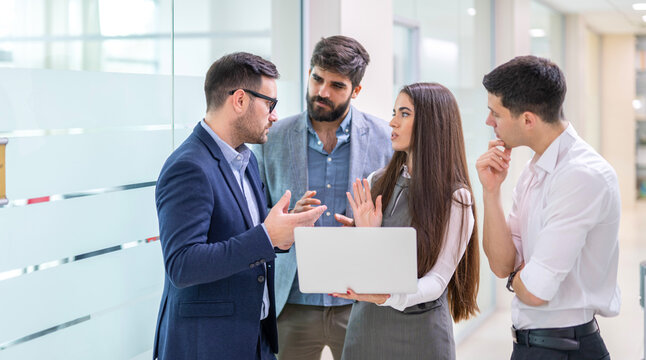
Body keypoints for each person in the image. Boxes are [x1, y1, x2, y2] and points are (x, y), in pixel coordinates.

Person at [152, 52, 327, 360]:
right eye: (270, 104)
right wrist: (267, 237)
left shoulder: (245, 161)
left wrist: (283, 227)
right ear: (240, 100)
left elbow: (245, 235)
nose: (274, 115)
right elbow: (182, 264)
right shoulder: (189, 166)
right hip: (207, 345)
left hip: (253, 339)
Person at [251, 35, 392, 360]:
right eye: (317, 78)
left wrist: (372, 228)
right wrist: (283, 220)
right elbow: (251, 214)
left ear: (355, 91)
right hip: (292, 303)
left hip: (360, 302)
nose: (322, 92)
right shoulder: (271, 138)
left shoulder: (385, 139)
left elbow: (402, 214)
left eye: (337, 85)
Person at [475, 55, 620, 359]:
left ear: (528, 119)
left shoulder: (581, 175)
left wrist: (518, 275)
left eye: (495, 114)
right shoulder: (533, 170)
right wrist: (491, 192)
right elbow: (502, 265)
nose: (489, 122)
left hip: (565, 348)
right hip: (532, 345)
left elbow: (536, 291)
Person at [332, 82, 480, 360]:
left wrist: (387, 296)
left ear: (432, 123)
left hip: (422, 332)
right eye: (394, 113)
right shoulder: (378, 181)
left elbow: (437, 280)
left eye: (404, 114)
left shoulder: (456, 198)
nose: (392, 122)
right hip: (368, 325)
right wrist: (362, 238)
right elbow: (374, 265)